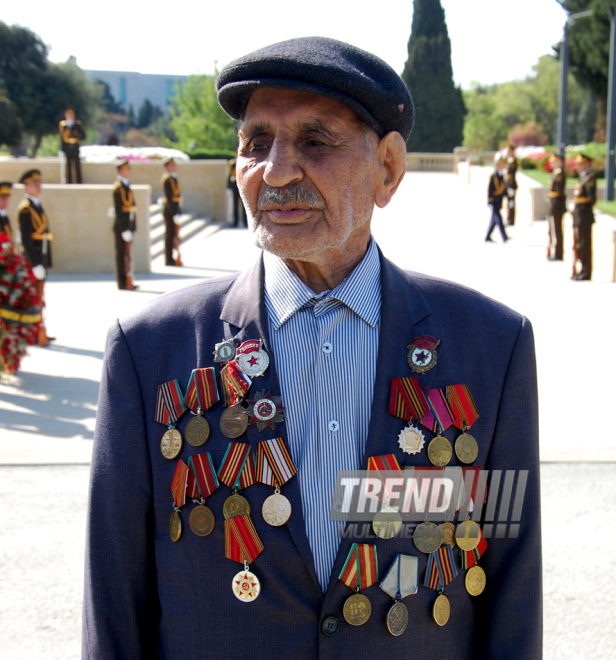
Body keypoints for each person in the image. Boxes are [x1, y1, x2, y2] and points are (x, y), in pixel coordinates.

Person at [83, 37, 541, 659]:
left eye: (314, 142)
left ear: (388, 168)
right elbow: (114, 604)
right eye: (256, 144)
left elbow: (509, 586)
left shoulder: (489, 347)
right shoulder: (150, 352)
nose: (275, 171)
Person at [17, 169, 54, 345]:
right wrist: (34, 264)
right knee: (34, 297)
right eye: (34, 184)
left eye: (39, 183)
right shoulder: (25, 209)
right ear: (27, 186)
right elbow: (26, 239)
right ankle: (34, 333)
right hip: (34, 260)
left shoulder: (37, 205)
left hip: (42, 257)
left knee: (40, 296)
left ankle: (40, 329)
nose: (39, 186)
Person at [112, 160, 138, 290]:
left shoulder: (127, 185)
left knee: (127, 255)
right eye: (126, 169)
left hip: (129, 224)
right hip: (122, 226)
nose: (128, 171)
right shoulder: (118, 188)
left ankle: (128, 278)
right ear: (121, 171)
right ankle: (122, 282)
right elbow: (118, 210)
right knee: (121, 254)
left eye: (129, 169)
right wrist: (124, 229)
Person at [571, 153, 596, 281]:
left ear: (587, 164)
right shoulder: (583, 177)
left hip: (584, 215)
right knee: (580, 244)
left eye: (581, 164)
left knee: (585, 245)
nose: (579, 166)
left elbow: (592, 199)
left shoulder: (589, 177)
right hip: (579, 215)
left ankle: (586, 272)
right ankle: (582, 270)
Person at [160, 158, 182, 266]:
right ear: (167, 167)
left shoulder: (173, 178)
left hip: (174, 209)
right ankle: (168, 259)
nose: (174, 167)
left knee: (173, 235)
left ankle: (172, 257)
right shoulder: (167, 179)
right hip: (169, 211)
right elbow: (169, 198)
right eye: (171, 165)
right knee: (169, 236)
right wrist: (174, 213)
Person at [547, 154, 566, 261]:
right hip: (554, 204)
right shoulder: (555, 172)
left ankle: (559, 253)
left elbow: (559, 191)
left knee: (558, 230)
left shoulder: (559, 173)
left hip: (557, 205)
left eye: (554, 161)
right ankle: (556, 252)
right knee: (555, 230)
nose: (552, 163)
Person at [59, 108, 86, 184]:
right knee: (68, 166)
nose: (71, 116)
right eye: (69, 115)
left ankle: (79, 182)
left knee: (77, 165)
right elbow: (62, 138)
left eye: (72, 115)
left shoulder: (77, 124)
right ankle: (69, 182)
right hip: (67, 148)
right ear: (66, 115)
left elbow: (83, 136)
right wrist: (62, 149)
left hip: (75, 147)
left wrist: (77, 135)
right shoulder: (63, 125)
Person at [485, 158, 509, 243]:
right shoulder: (493, 176)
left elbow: (503, 189)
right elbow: (490, 189)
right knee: (499, 219)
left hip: (499, 201)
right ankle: (504, 237)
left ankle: (487, 236)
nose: (504, 166)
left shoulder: (502, 175)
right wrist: (490, 201)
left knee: (494, 220)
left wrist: (508, 196)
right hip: (494, 201)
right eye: (502, 164)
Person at [227, 155, 247, 227]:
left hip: (242, 185)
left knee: (244, 205)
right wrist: (228, 186)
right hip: (235, 185)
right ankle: (235, 222)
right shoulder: (232, 163)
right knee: (234, 204)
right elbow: (229, 174)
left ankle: (245, 222)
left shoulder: (244, 162)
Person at [504, 145, 518, 226]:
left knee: (511, 203)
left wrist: (510, 186)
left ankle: (511, 219)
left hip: (511, 184)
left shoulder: (512, 161)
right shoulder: (509, 160)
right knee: (509, 202)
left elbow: (511, 174)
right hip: (508, 184)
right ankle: (509, 218)